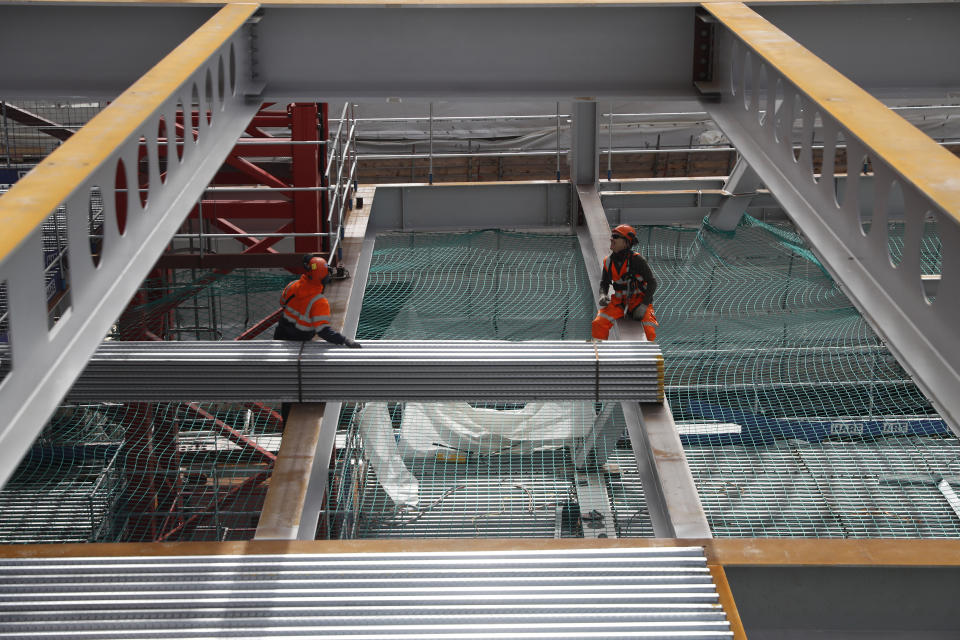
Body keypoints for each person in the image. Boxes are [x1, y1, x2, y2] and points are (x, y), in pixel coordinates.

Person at [274, 255, 361, 422]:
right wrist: (345, 341)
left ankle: (286, 416)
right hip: (300, 344)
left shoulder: (292, 286)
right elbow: (323, 331)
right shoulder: (318, 301)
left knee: (286, 384)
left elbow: (283, 302)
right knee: (297, 382)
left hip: (281, 337)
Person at [592, 224, 658, 341]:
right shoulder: (608, 262)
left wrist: (643, 306)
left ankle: (649, 358)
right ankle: (600, 355)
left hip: (639, 302)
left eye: (616, 236)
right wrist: (603, 295)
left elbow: (652, 283)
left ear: (626, 242)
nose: (612, 239)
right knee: (598, 323)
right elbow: (604, 283)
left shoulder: (637, 260)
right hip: (619, 304)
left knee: (649, 333)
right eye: (612, 236)